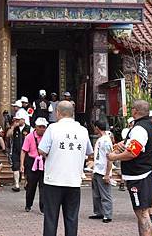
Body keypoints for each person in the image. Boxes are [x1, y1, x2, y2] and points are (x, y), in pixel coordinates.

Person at [38, 100, 92, 236]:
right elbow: (89, 152)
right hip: (73, 181)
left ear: (58, 113)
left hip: (53, 181)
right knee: (72, 219)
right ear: (72, 113)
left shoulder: (52, 128)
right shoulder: (83, 131)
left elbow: (42, 150)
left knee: (51, 219)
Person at [107, 100, 152, 236]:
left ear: (135, 110)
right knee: (141, 212)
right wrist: (123, 145)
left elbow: (132, 153)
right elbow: (133, 147)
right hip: (140, 174)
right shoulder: (145, 126)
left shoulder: (140, 128)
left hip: (139, 176)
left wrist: (113, 157)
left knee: (142, 212)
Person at [21, 117, 48, 213]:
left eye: (44, 127)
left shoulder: (47, 137)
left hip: (44, 161)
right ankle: (28, 204)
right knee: (31, 186)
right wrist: (22, 165)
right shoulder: (29, 136)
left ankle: (43, 207)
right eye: (40, 127)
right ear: (36, 127)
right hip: (32, 162)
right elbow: (24, 151)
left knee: (44, 186)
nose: (42, 129)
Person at [90, 121, 113, 223]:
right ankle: (99, 212)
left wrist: (107, 174)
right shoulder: (100, 140)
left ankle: (107, 215)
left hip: (103, 171)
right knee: (96, 194)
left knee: (105, 194)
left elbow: (110, 158)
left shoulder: (106, 141)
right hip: (97, 170)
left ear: (97, 128)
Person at [8, 110, 31, 192]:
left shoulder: (29, 128)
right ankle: (16, 185)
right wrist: (13, 127)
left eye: (18, 119)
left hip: (27, 152)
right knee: (15, 167)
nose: (17, 121)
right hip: (16, 151)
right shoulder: (14, 128)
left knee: (27, 167)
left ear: (23, 119)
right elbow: (8, 135)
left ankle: (26, 183)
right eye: (16, 119)